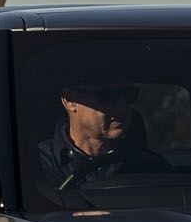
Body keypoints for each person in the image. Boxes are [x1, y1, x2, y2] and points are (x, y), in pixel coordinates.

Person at [33, 79, 172, 193]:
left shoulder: (152, 169)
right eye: (107, 97)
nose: (122, 107)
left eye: (129, 95)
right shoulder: (37, 167)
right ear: (69, 101)